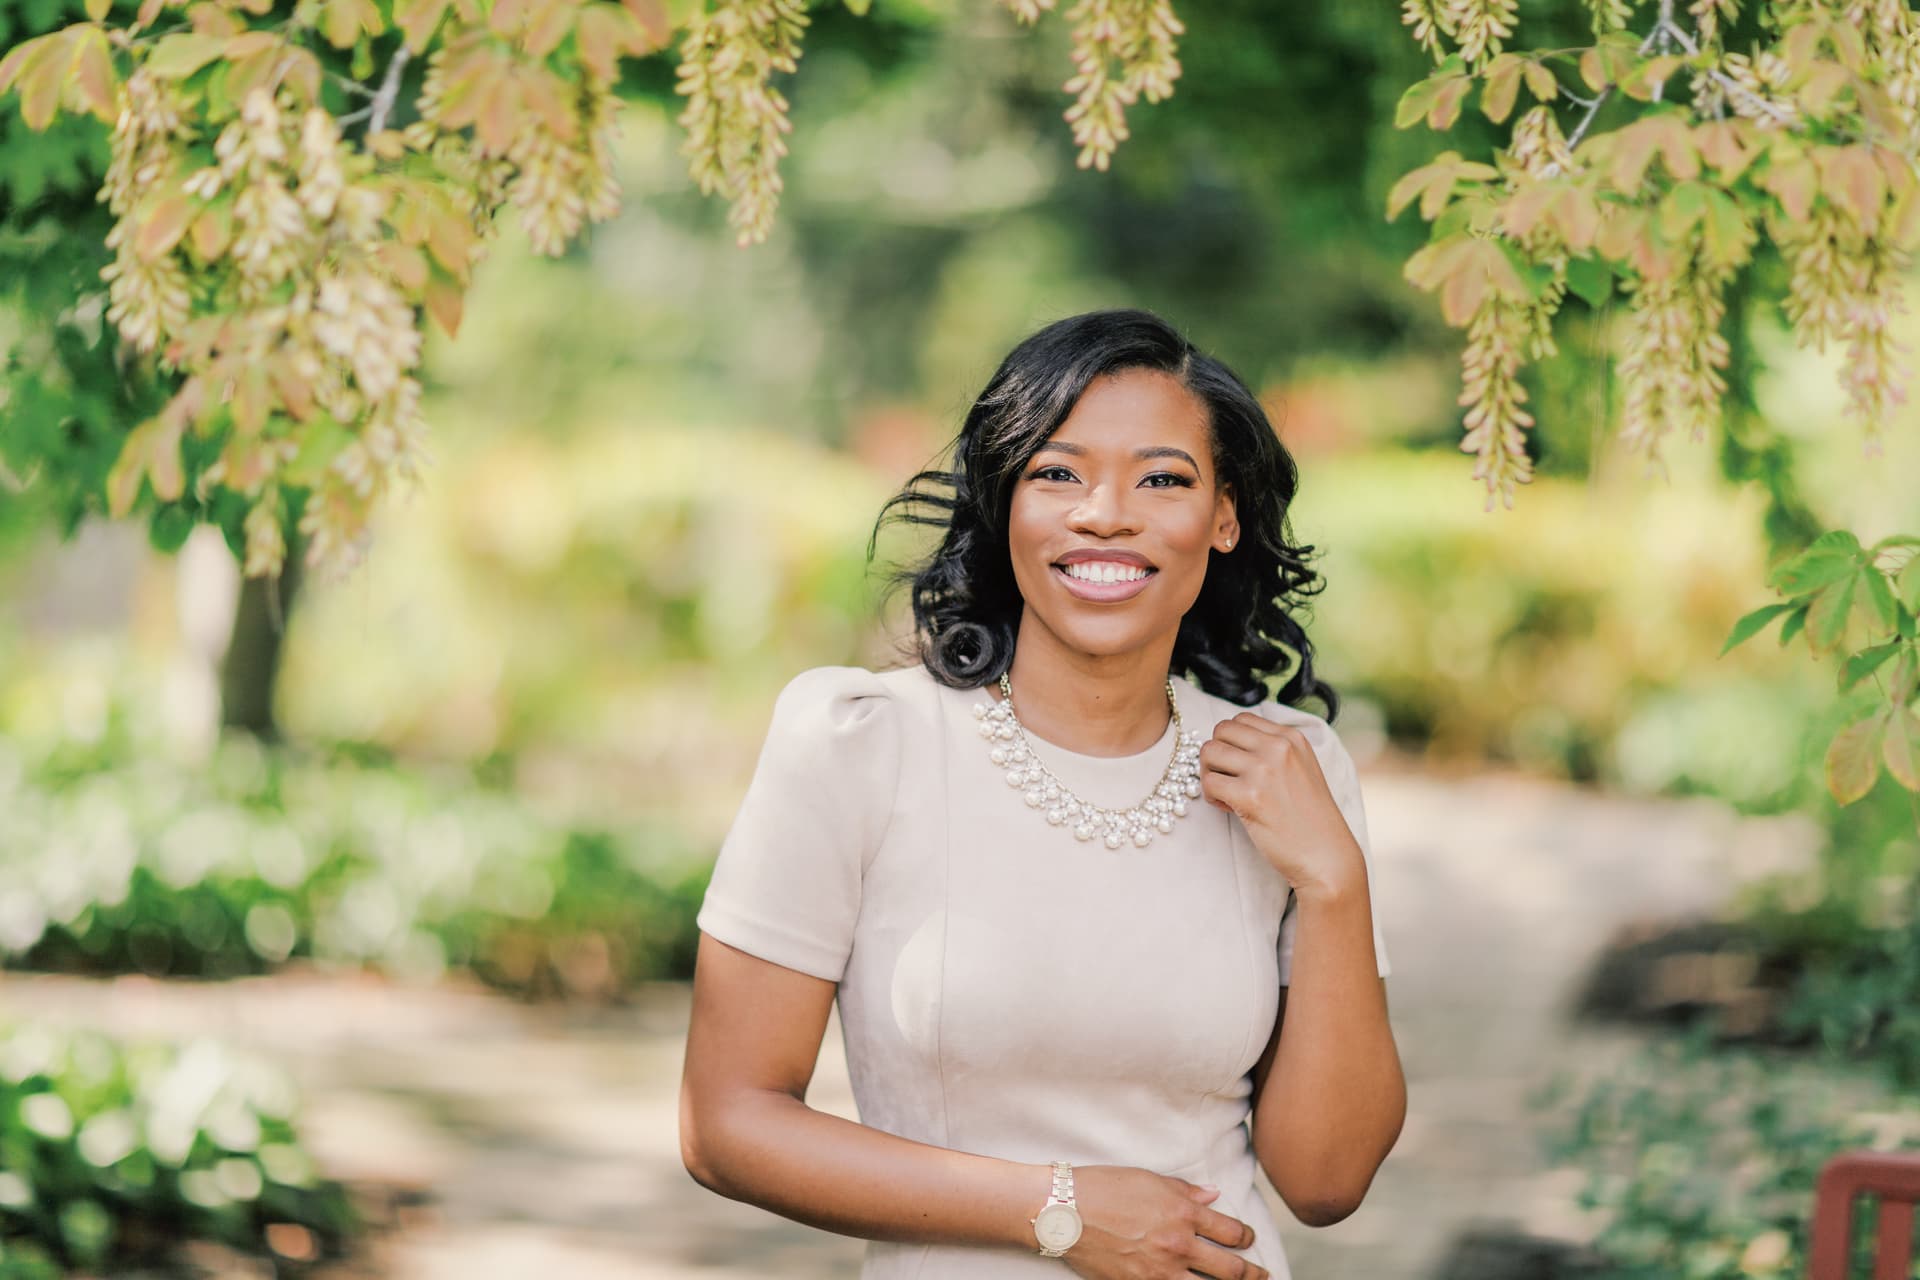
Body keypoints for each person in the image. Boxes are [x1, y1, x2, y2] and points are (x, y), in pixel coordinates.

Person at [678, 308, 1404, 1279]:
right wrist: (1057, 1209)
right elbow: (726, 1123)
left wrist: (1334, 881)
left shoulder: (1288, 765)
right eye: (1058, 472)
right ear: (1004, 501)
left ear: (1223, 515)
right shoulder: (861, 741)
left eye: (1163, 477)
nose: (1107, 511)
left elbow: (1326, 1178)